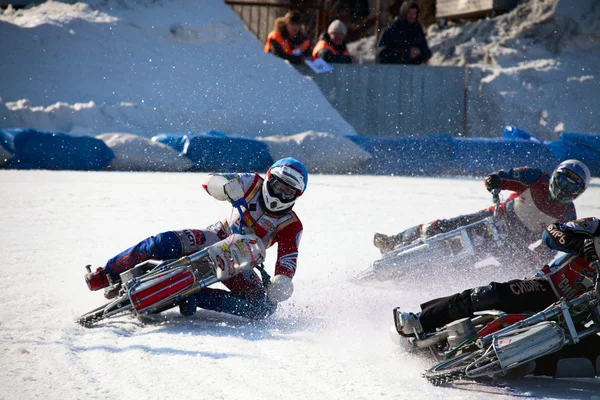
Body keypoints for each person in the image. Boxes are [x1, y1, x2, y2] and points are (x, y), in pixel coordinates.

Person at [84, 157, 309, 320]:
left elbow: (288, 258)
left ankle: (194, 296)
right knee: (161, 242)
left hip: (240, 262)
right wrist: (225, 187)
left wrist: (282, 280)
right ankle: (106, 274)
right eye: (278, 186)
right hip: (214, 237)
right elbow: (210, 180)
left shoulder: (291, 224)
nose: (280, 195)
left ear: (296, 197)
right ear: (269, 178)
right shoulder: (251, 183)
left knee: (263, 308)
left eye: (287, 192)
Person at [395, 217, 600, 376]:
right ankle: (423, 320)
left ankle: (511, 364)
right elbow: (551, 233)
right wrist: (582, 246)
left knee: (590, 361)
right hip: (547, 288)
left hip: (579, 319)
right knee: (493, 294)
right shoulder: (595, 226)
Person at [374, 160, 591, 264]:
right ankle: (394, 240)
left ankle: (435, 280)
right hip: (494, 217)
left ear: (578, 193)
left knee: (490, 270)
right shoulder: (536, 177)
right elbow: (503, 176)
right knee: (441, 226)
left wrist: (534, 260)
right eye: (562, 180)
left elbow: (551, 245)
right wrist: (494, 180)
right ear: (555, 175)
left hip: (512, 243)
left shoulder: (568, 216)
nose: (564, 188)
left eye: (572, 186)